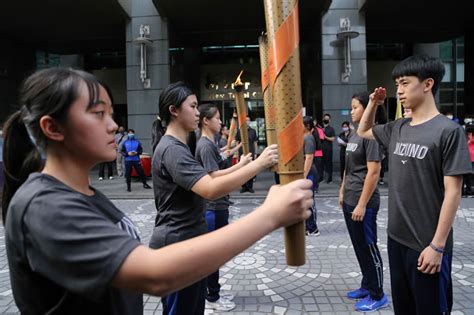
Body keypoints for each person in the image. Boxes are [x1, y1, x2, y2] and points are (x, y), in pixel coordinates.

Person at [1, 68, 313, 315]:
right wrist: (269, 215)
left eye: (111, 114)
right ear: (53, 128)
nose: (113, 126)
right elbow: (155, 274)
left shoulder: (85, 195)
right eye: (98, 114)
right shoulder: (44, 207)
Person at [149, 82, 300, 315]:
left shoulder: (178, 146)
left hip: (186, 243)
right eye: (193, 106)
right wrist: (258, 165)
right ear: (174, 111)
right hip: (177, 245)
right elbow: (210, 187)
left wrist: (243, 166)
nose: (198, 113)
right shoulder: (172, 150)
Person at [357, 55, 472, 315]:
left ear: (428, 84)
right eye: (397, 83)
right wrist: (374, 103)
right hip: (397, 239)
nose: (399, 90)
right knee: (404, 309)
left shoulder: (448, 131)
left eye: (405, 83)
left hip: (427, 245)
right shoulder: (398, 127)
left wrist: (437, 246)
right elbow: (363, 131)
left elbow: (453, 193)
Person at [339, 91, 388, 312]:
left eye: (355, 107)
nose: (352, 111)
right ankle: (366, 285)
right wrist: (341, 192)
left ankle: (378, 294)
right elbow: (348, 168)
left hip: (364, 203)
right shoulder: (353, 135)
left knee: (369, 247)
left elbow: (374, 172)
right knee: (359, 247)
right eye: (351, 107)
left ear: (367, 108)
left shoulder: (372, 137)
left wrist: (361, 204)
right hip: (350, 198)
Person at [195, 104, 246, 311]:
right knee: (212, 256)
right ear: (206, 121)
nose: (221, 123)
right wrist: (243, 166)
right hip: (212, 207)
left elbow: (218, 160)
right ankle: (212, 297)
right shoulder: (205, 145)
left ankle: (213, 290)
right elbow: (213, 176)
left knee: (216, 254)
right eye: (217, 118)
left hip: (218, 205)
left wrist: (232, 152)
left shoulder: (211, 143)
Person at [303, 116, 319, 236]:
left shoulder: (308, 138)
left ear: (307, 126)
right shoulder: (304, 137)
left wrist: (303, 175)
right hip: (305, 173)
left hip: (309, 173)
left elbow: (309, 158)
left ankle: (313, 228)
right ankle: (307, 226)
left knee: (309, 201)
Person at [236, 117, 258, 193]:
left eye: (248, 120)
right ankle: (244, 186)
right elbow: (237, 143)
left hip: (251, 153)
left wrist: (255, 153)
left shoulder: (253, 131)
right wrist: (236, 154)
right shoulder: (239, 131)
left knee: (251, 169)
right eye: (245, 120)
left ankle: (250, 187)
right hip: (241, 153)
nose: (247, 122)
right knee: (242, 170)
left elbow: (255, 143)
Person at [321, 113, 335, 183]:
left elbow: (333, 139)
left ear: (329, 120)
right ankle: (322, 178)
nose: (326, 120)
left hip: (328, 149)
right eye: (325, 118)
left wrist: (325, 137)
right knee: (321, 163)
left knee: (328, 163)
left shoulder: (331, 129)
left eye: (327, 119)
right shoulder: (320, 128)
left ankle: (329, 178)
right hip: (321, 149)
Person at [312, 118, 324, 185]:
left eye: (314, 121)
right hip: (310, 153)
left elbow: (322, 139)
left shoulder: (319, 130)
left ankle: (316, 185)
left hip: (317, 153)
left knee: (317, 170)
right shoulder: (309, 130)